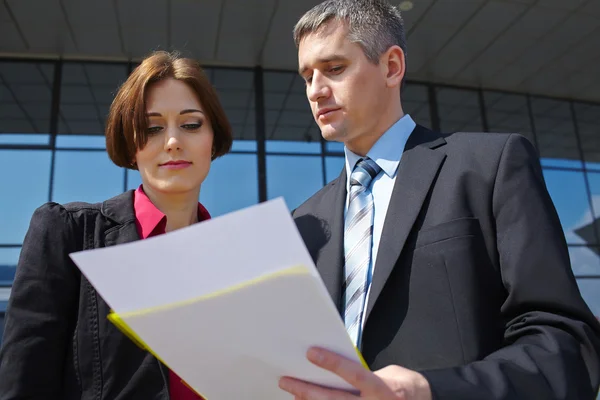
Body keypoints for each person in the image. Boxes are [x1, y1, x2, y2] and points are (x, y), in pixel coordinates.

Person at [278, 1, 600, 399]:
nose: (315, 91)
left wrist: (431, 391)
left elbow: (563, 344)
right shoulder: (305, 220)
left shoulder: (488, 167)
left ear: (392, 67)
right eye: (307, 76)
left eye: (334, 69)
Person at [0, 51, 231, 399]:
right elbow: (23, 385)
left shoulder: (237, 257)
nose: (172, 141)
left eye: (191, 124)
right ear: (131, 144)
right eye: (152, 128)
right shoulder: (69, 234)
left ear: (213, 137)